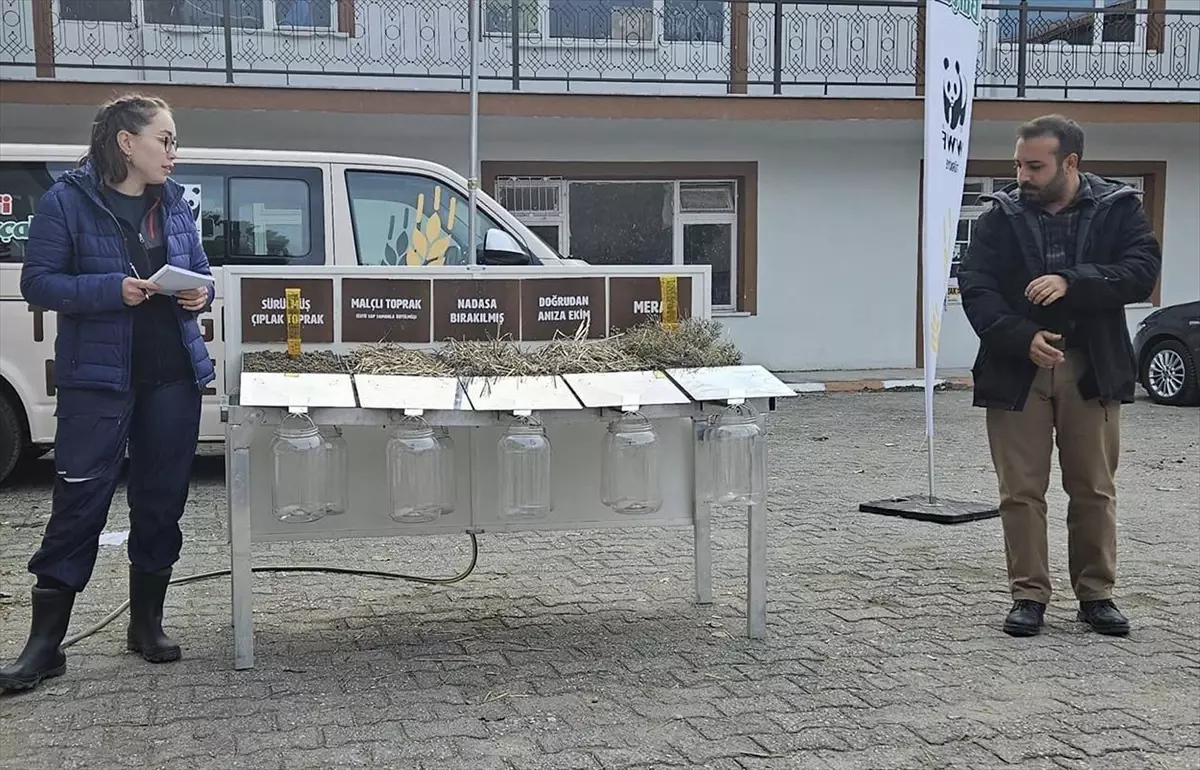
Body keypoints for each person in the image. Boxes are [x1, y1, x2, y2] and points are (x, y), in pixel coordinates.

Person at [0, 94, 216, 693]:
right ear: (127, 142)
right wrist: (109, 290)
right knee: (78, 501)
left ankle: (146, 626)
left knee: (161, 501)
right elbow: (38, 283)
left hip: (172, 378)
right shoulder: (66, 201)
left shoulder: (174, 202)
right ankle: (44, 647)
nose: (173, 153)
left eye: (174, 142)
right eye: (164, 140)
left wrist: (200, 293)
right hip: (97, 381)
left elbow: (201, 269)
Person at [959, 114, 1161, 638]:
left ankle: (1096, 595)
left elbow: (1141, 272)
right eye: (1018, 165)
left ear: (1070, 163)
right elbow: (976, 287)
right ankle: (1028, 596)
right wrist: (1019, 336)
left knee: (1093, 487)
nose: (1022, 176)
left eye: (1034, 166)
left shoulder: (1119, 207)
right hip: (1015, 369)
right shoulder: (998, 216)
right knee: (1020, 492)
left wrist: (1074, 280)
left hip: (1092, 367)